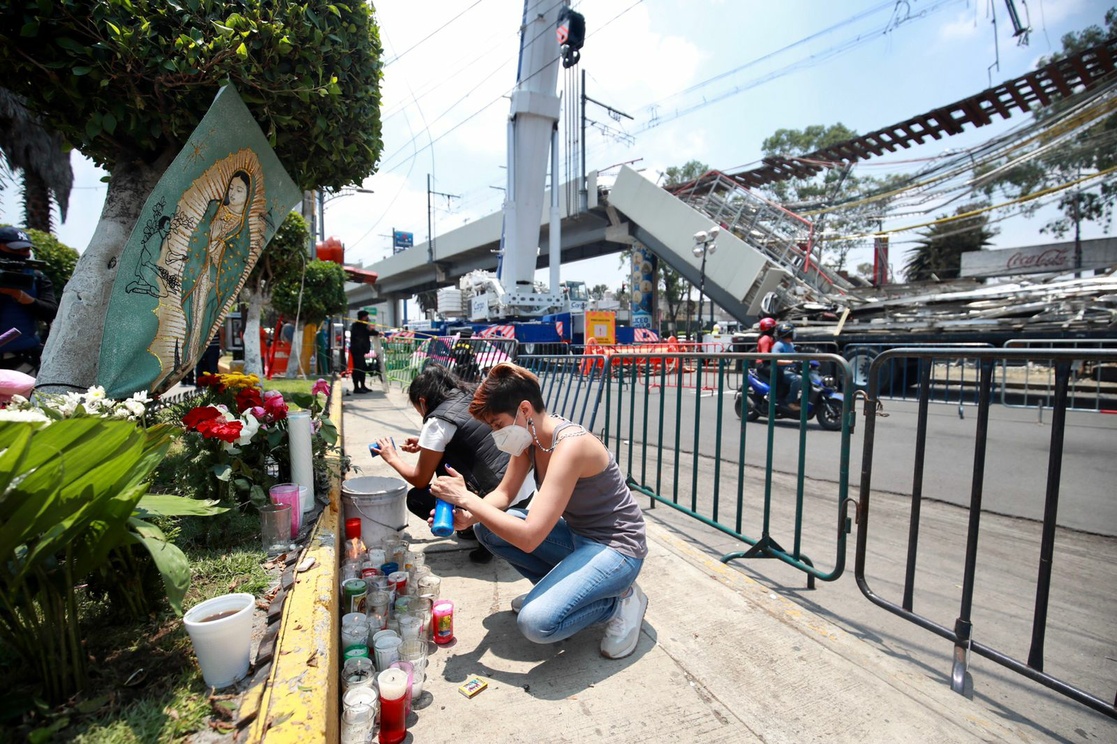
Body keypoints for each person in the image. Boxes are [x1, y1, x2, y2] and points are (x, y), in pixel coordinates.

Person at [430, 362, 649, 660]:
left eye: (496, 424)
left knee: (537, 624)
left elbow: (531, 537)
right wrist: (468, 516)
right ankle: (556, 593)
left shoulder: (570, 445)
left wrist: (469, 500)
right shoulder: (528, 441)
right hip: (579, 538)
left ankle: (621, 600)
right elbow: (505, 494)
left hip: (618, 549)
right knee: (485, 528)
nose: (495, 433)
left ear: (524, 410)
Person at [374, 364, 535, 564]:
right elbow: (473, 439)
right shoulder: (471, 398)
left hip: (496, 501)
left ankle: (485, 533)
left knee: (417, 498)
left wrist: (392, 457)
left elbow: (420, 479)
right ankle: (476, 527)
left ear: (422, 401)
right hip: (522, 494)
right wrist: (426, 443)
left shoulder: (437, 421)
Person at [0, 226, 58, 373]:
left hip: (25, 361)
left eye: (24, 250)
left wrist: (20, 296)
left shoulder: (37, 277)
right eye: (14, 250)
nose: (20, 254)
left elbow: (51, 313)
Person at [772, 322, 801, 410]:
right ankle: (790, 401)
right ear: (788, 334)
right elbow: (775, 360)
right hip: (781, 370)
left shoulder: (790, 344)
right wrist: (790, 361)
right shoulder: (779, 345)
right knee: (797, 379)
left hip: (792, 369)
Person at [349, 310, 378, 393]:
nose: (367, 318)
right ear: (363, 317)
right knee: (358, 369)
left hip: (360, 351)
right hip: (357, 350)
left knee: (362, 368)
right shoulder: (359, 326)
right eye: (366, 317)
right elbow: (368, 332)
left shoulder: (360, 325)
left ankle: (362, 385)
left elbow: (369, 332)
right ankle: (357, 387)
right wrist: (374, 331)